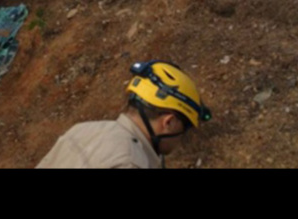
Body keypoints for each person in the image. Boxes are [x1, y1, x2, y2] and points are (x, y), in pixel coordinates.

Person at [36, 60, 211, 168]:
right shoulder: (131, 163)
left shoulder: (81, 130)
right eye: (185, 128)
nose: (181, 140)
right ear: (169, 122)